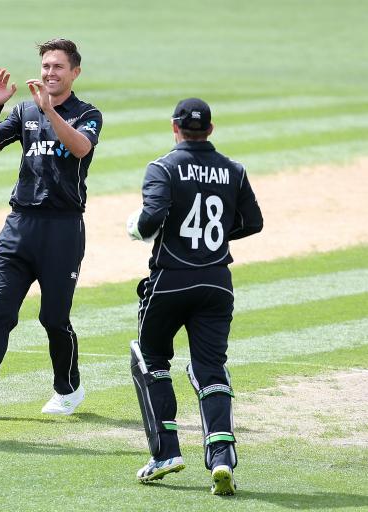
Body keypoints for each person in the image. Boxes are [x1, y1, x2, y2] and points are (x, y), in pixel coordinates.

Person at [0, 39, 103, 420]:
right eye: (46, 66)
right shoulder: (23, 111)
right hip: (20, 226)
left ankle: (68, 389)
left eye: (58, 67)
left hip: (63, 230)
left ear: (75, 73)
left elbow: (81, 148)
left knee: (53, 318)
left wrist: (51, 112)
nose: (50, 73)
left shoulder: (88, 113)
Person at [126, 98, 263, 494]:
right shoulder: (234, 170)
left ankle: (166, 452)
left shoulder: (163, 167)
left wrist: (137, 228)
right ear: (211, 129)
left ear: (175, 127)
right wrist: (212, 239)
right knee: (210, 368)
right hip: (217, 281)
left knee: (150, 359)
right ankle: (221, 456)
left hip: (171, 279)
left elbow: (151, 219)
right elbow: (252, 222)